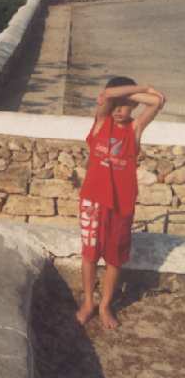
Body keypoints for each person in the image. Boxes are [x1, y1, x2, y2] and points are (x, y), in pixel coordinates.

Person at [76, 77, 165, 330]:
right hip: (93, 202)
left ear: (134, 107)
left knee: (114, 258)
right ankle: (88, 303)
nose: (118, 110)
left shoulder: (134, 129)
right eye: (116, 104)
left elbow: (158, 101)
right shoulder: (100, 124)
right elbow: (107, 94)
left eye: (125, 106)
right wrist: (141, 89)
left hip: (121, 206)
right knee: (90, 254)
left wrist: (136, 96)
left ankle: (104, 305)